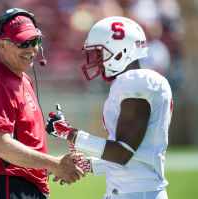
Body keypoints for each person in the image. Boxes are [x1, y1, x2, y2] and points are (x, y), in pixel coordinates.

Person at [46, 16, 173, 199]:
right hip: (132, 192)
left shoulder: (135, 82)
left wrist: (71, 134)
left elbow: (123, 153)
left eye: (100, 52)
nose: (97, 58)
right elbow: (137, 159)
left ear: (120, 52)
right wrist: (89, 165)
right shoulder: (139, 82)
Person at [0, 8, 84, 199]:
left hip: (26, 186)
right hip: (8, 185)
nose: (31, 49)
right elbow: (0, 145)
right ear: (2, 45)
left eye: (35, 41)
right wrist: (53, 164)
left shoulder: (23, 79)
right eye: (23, 42)